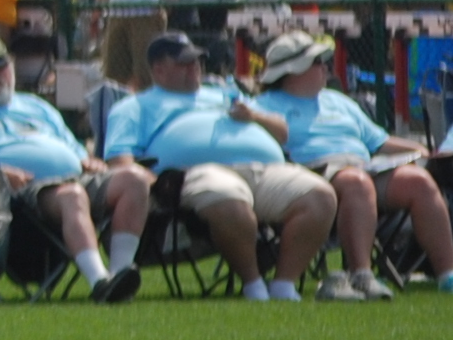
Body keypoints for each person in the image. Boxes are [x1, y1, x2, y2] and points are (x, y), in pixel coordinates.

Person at [97, 31, 333, 302]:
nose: (195, 67)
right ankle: (254, 285)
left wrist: (253, 116)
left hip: (264, 169)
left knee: (320, 197)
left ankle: (283, 284)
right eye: (184, 63)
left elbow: (282, 133)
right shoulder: (135, 106)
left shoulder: (224, 94)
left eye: (197, 61)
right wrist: (149, 186)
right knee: (229, 200)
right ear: (158, 69)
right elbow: (120, 159)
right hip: (200, 172)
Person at [0, 30, 141, 303]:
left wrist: (87, 160)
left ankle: (119, 274)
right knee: (72, 196)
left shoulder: (37, 106)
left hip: (73, 178)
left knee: (134, 180)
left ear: (11, 67)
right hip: (19, 196)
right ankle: (99, 282)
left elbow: (74, 149)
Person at [250, 33, 448, 299]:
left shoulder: (338, 100)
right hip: (310, 174)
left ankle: (448, 276)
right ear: (293, 70)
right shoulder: (264, 106)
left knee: (419, 181)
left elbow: (379, 141)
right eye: (317, 61)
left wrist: (424, 151)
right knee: (356, 182)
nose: (325, 67)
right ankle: (362, 275)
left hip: (364, 166)